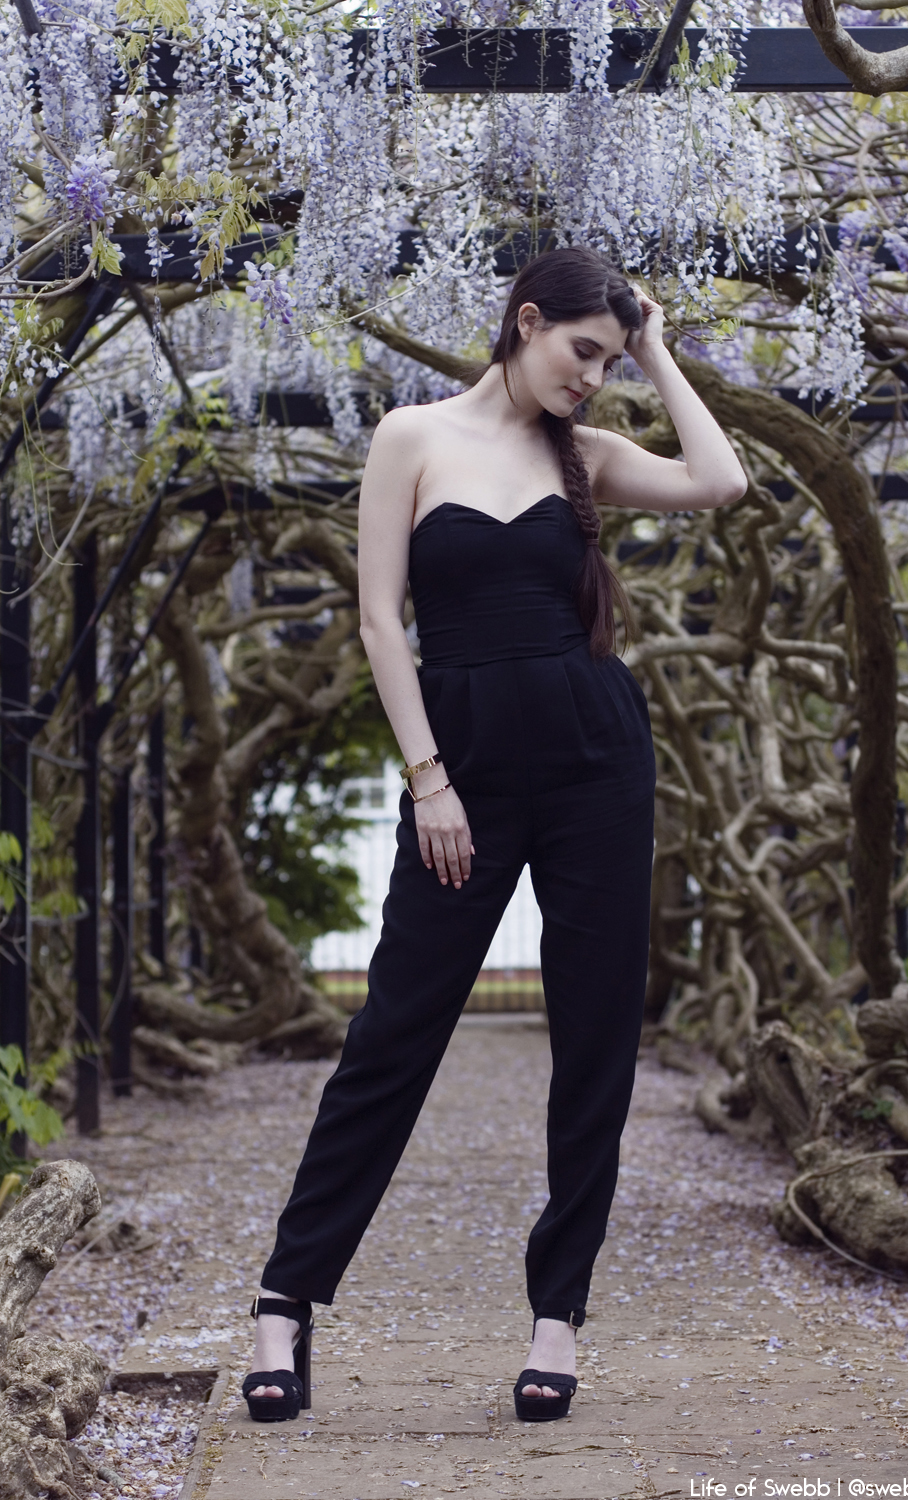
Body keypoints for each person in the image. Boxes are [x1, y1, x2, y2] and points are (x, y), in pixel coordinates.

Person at [242, 246, 747, 1426]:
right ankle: (284, 1301)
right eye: (582, 352)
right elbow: (381, 620)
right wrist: (429, 781)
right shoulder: (410, 437)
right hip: (459, 763)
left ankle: (557, 1316)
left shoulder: (588, 456)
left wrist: (655, 346)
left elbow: (719, 479)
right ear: (524, 323)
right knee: (393, 1033)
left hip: (595, 761)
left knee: (595, 1038)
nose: (592, 377)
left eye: (609, 361)